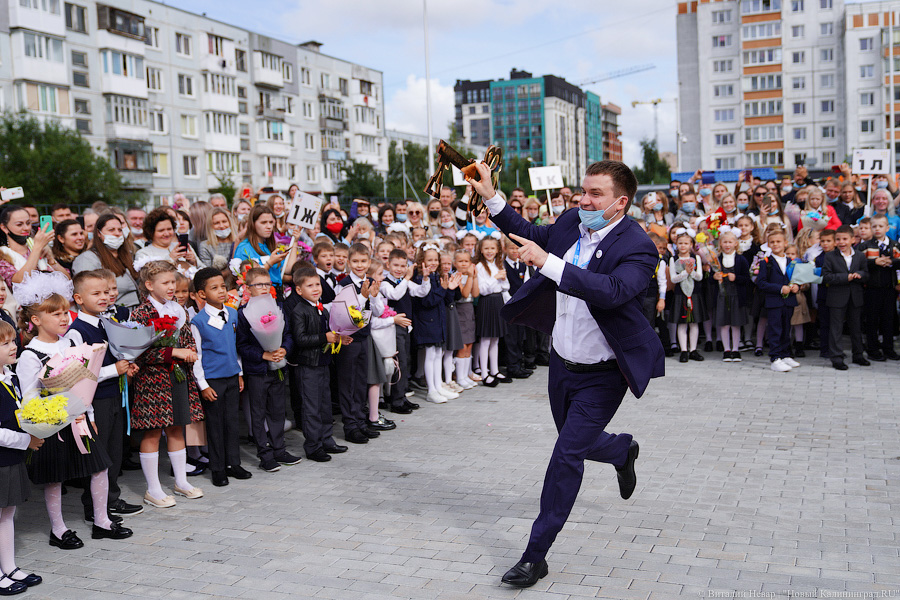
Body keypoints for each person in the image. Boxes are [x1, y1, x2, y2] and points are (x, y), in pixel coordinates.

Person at [467, 160, 663, 588]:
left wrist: (547, 264)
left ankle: (534, 557)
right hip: (561, 363)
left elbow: (611, 292)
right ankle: (620, 451)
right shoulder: (573, 221)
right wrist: (490, 195)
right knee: (579, 444)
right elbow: (532, 234)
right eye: (582, 191)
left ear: (620, 203)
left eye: (595, 194)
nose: (582, 200)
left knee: (565, 457)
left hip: (604, 373)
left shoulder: (638, 246)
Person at [13, 272, 133, 546]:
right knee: (55, 478)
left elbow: (85, 382)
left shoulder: (71, 343)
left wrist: (88, 416)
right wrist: (52, 404)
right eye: (55, 314)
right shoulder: (30, 355)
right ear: (35, 320)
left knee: (99, 468)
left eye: (65, 312)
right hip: (54, 425)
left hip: (79, 419)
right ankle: (58, 529)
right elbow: (29, 398)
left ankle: (102, 521)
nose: (64, 318)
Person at [65, 271, 144, 523]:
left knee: (113, 450)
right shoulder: (76, 332)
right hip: (94, 400)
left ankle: (110, 498)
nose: (104, 297)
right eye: (95, 293)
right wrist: (113, 370)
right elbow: (75, 375)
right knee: (97, 454)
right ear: (78, 298)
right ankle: (93, 507)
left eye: (105, 292)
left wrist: (125, 364)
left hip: (113, 395)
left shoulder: (106, 322)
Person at [129, 260, 204, 508]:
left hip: (178, 376)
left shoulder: (179, 309)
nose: (172, 287)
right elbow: (140, 353)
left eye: (173, 281)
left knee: (177, 428)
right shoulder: (141, 313)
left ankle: (181, 481)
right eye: (166, 282)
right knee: (152, 431)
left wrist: (190, 350)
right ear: (149, 285)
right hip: (152, 381)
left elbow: (186, 338)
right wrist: (175, 353)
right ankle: (153, 489)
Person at [189, 267, 251, 487]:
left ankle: (233, 463)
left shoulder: (233, 313)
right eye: (214, 288)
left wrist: (240, 373)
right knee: (215, 424)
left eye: (223, 286)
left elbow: (235, 347)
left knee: (232, 422)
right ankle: (217, 468)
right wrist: (203, 385)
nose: (221, 291)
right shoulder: (198, 322)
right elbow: (197, 356)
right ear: (202, 294)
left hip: (232, 376)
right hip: (213, 380)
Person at [236, 268, 301, 472]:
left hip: (278, 367)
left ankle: (279, 449)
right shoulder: (243, 313)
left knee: (277, 410)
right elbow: (241, 345)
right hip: (257, 370)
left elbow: (289, 334)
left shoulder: (278, 307)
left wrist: (284, 349)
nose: (264, 288)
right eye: (259, 285)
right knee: (258, 412)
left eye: (267, 284)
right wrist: (262, 355)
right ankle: (264, 454)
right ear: (248, 288)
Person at [0, 320, 43, 594]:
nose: (13, 346)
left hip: (10, 459)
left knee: (8, 514)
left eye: (14, 340)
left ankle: (10, 566)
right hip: (3, 457)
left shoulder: (10, 376)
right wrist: (26, 440)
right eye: (5, 344)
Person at [289, 267, 347, 462]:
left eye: (317, 284)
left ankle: (326, 439)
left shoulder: (319, 306)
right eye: (310, 285)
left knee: (324, 404)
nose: (316, 289)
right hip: (308, 366)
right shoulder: (299, 310)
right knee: (311, 407)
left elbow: (327, 332)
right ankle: (313, 446)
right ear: (299, 290)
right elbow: (300, 339)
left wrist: (338, 338)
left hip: (322, 363)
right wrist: (325, 337)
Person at [334, 245, 383, 443]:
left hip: (365, 338)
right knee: (348, 382)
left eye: (363, 261)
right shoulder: (343, 284)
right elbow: (345, 313)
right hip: (349, 339)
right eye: (355, 261)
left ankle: (361, 421)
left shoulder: (370, 282)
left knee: (361, 380)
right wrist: (363, 297)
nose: (359, 265)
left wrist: (374, 295)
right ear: (348, 262)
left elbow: (378, 311)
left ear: (369, 262)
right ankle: (350, 425)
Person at [380, 249, 427, 414]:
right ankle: (396, 400)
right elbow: (395, 295)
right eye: (396, 265)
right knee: (398, 363)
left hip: (405, 327)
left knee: (405, 361)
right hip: (393, 328)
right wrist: (406, 278)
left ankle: (402, 396)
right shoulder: (386, 283)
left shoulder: (404, 281)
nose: (399, 269)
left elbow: (421, 291)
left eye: (402, 265)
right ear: (388, 265)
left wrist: (425, 278)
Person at [822, 226, 870, 370]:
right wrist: (846, 277)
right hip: (837, 297)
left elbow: (867, 274)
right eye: (838, 239)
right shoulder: (830, 256)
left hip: (855, 297)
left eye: (845, 239)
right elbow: (826, 277)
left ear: (852, 240)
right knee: (836, 328)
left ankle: (858, 354)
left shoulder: (860, 256)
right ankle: (836, 357)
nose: (841, 242)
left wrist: (860, 275)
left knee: (856, 327)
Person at [755, 229, 802, 372]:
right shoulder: (766, 263)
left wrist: (796, 287)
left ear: (785, 243)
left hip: (788, 302)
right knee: (775, 329)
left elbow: (797, 279)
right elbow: (761, 283)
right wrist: (780, 289)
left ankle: (785, 354)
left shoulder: (791, 262)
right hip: (774, 301)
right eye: (772, 242)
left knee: (786, 328)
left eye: (778, 241)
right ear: (768, 245)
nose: (775, 244)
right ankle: (775, 358)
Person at [72, 214, 140, 310]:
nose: (117, 233)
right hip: (112, 316)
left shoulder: (128, 255)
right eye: (111, 230)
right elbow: (86, 294)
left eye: (120, 230)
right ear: (99, 233)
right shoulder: (87, 259)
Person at [858, 215, 900, 360]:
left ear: (887, 228)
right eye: (874, 226)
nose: (877, 229)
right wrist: (875, 262)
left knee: (888, 319)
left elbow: (899, 261)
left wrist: (891, 262)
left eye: (880, 226)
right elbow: (859, 264)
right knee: (872, 320)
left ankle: (888, 348)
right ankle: (873, 349)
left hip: (889, 288)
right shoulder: (865, 246)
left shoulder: (894, 245)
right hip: (871, 289)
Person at [233, 206, 297, 294]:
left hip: (277, 293)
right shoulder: (244, 248)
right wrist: (270, 263)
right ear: (253, 224)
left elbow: (287, 269)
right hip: (260, 295)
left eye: (271, 222)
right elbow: (246, 280)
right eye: (263, 222)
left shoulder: (269, 246)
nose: (269, 226)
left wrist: (295, 241)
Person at [0, 207, 68, 286]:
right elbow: (18, 282)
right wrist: (37, 248)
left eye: (28, 223)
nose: (26, 228)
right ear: (4, 228)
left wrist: (52, 261)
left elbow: (68, 281)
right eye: (19, 224)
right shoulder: (3, 255)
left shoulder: (39, 248)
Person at [668, 229, 705, 362]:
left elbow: (699, 277)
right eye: (680, 243)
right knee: (682, 323)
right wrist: (685, 272)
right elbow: (673, 279)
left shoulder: (696, 258)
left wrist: (691, 272)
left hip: (694, 293)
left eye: (686, 243)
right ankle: (684, 350)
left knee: (694, 323)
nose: (683, 246)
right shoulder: (674, 259)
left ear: (691, 245)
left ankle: (693, 349)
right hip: (680, 294)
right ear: (676, 245)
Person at [714, 231, 750, 362]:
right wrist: (714, 277)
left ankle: (735, 349)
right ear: (720, 244)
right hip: (722, 296)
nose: (727, 245)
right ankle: (726, 349)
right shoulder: (717, 259)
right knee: (724, 323)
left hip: (736, 295)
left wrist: (737, 278)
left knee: (736, 323)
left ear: (736, 243)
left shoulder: (741, 259)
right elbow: (710, 281)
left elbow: (747, 278)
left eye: (730, 242)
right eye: (725, 242)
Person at [135, 208, 200, 274]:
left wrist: (194, 262)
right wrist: (170, 259)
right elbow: (148, 277)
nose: (166, 234)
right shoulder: (144, 254)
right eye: (161, 230)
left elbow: (204, 271)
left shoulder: (182, 247)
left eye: (169, 229)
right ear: (151, 232)